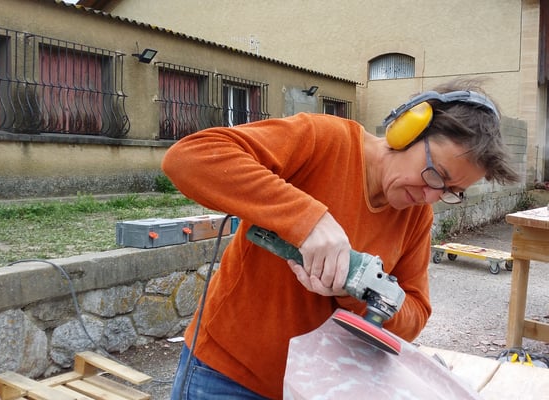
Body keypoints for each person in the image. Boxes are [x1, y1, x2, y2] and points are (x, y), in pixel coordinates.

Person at [161, 79, 520, 399]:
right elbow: (189, 158)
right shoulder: (324, 140)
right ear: (406, 131)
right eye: (435, 174)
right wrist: (307, 219)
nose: (431, 196)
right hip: (228, 377)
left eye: (450, 191)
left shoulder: (416, 215)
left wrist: (357, 293)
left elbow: (414, 314)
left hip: (320, 387)